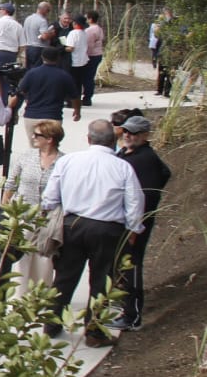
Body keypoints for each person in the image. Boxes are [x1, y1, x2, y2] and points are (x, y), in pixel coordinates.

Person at [41, 120, 144, 346]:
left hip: (73, 224)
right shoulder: (123, 167)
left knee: (65, 277)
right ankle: (94, 332)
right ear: (114, 141)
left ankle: (51, 323)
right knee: (101, 281)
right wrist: (134, 229)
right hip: (107, 228)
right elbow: (135, 202)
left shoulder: (68, 161)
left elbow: (49, 198)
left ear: (88, 139)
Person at [115, 115, 172, 332]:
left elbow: (147, 196)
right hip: (126, 221)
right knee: (122, 264)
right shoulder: (127, 153)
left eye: (134, 133)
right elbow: (166, 172)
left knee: (131, 265)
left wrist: (135, 227)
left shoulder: (144, 160)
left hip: (135, 224)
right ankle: (124, 306)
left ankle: (132, 316)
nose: (128, 136)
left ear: (145, 135)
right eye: (126, 131)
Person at [2, 120, 64, 286]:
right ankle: (17, 294)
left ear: (50, 139)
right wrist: (6, 209)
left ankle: (39, 294)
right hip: (23, 215)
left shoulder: (63, 161)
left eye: (37, 135)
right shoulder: (26, 157)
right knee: (20, 259)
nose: (33, 137)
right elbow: (11, 184)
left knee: (44, 260)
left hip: (47, 218)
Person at [8, 44, 81, 132]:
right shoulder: (64, 76)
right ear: (58, 58)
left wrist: (12, 109)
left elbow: (20, 93)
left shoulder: (31, 74)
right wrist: (77, 110)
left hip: (32, 116)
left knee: (34, 140)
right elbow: (74, 97)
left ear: (42, 57)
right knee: (51, 140)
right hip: (53, 117)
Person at [81, 11, 105, 105]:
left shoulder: (90, 31)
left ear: (90, 19)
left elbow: (89, 45)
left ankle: (87, 98)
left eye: (86, 18)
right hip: (98, 54)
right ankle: (88, 96)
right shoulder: (99, 29)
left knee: (87, 77)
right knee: (90, 76)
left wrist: (85, 56)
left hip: (91, 55)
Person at [22, 1, 53, 69]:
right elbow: (44, 37)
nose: (48, 13)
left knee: (29, 68)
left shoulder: (28, 18)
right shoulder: (42, 21)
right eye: (48, 10)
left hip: (29, 47)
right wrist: (51, 34)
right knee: (38, 69)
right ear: (44, 10)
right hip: (39, 48)